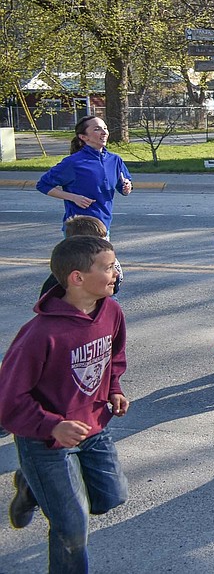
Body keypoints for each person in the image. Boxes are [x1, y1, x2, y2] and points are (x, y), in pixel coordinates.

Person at [0, 235, 130, 571]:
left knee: (111, 497)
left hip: (94, 427)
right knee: (72, 529)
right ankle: (37, 477)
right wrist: (53, 425)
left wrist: (114, 387)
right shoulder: (40, 334)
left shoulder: (111, 311)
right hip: (46, 440)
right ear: (77, 278)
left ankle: (30, 485)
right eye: (107, 267)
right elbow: (9, 399)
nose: (116, 272)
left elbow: (114, 356)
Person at [36, 115, 132, 234]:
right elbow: (43, 185)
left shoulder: (115, 160)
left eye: (105, 128)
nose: (104, 132)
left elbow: (123, 187)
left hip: (103, 226)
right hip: (79, 228)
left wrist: (127, 187)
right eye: (97, 129)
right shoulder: (73, 163)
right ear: (83, 137)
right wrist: (73, 197)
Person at [39, 215, 123, 298]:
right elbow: (46, 297)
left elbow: (115, 285)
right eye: (99, 241)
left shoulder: (108, 260)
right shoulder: (61, 273)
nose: (104, 244)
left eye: (104, 239)